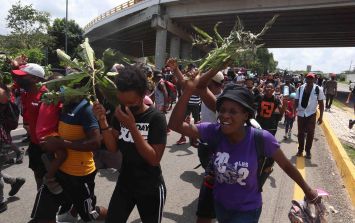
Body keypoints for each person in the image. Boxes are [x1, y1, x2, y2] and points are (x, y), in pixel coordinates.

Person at [168, 79, 319, 223]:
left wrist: (308, 190)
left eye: (233, 112)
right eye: (222, 110)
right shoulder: (214, 131)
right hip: (220, 205)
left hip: (247, 211)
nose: (225, 115)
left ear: (246, 115)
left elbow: (286, 166)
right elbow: (175, 125)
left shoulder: (261, 138)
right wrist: (187, 91)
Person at [93, 65, 167, 223]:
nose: (127, 108)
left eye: (131, 103)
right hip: (126, 182)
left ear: (143, 95)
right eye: (122, 102)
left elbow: (154, 159)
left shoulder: (156, 119)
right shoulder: (120, 112)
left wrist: (132, 127)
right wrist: (103, 121)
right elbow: (113, 148)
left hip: (150, 187)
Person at [30, 95, 108, 222]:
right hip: (58, 171)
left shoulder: (86, 108)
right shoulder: (60, 104)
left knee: (90, 214)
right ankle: (72, 211)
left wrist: (60, 143)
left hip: (80, 174)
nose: (58, 91)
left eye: (62, 86)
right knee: (42, 214)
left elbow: (95, 142)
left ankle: (114, 216)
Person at [11, 63, 47, 188]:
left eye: (24, 76)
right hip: (34, 144)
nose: (19, 79)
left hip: (48, 147)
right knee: (38, 175)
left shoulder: (46, 96)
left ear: (35, 79)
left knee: (50, 180)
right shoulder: (26, 93)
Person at [295, 72, 325, 159]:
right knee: (300, 133)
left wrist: (321, 116)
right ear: (306, 79)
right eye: (308, 78)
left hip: (311, 114)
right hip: (301, 113)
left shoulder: (318, 89)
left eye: (311, 78)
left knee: (310, 133)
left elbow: (321, 104)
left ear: (314, 79)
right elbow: (296, 100)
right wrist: (294, 111)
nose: (309, 80)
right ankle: (300, 150)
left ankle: (308, 151)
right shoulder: (300, 88)